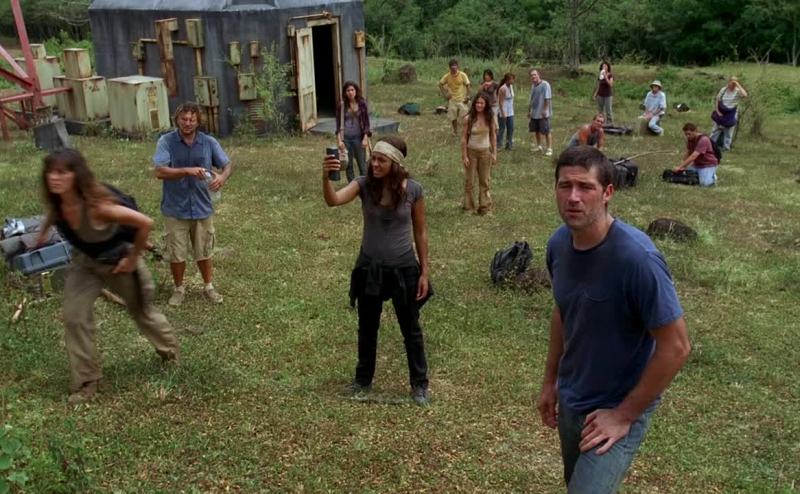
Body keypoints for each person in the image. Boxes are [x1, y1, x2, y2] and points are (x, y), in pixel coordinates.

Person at [537, 145, 691, 493]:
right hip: (573, 395)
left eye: (585, 187)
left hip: (618, 402)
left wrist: (624, 415)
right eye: (565, 185)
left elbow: (677, 347)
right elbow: (563, 311)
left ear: (607, 192)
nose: (573, 197)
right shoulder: (559, 244)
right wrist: (550, 381)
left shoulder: (637, 259)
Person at [37, 149, 180, 405]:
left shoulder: (99, 207)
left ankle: (170, 352)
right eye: (50, 172)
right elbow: (53, 214)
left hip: (118, 262)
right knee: (74, 317)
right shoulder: (58, 202)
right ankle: (87, 380)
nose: (54, 178)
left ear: (76, 175)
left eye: (62, 172)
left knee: (142, 312)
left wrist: (133, 258)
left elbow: (145, 223)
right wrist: (40, 235)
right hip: (85, 264)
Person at [322, 136, 432, 406]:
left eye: (382, 160)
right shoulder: (363, 185)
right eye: (374, 159)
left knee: (411, 329)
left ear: (395, 163)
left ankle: (419, 384)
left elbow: (420, 231)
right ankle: (363, 380)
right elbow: (333, 200)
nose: (374, 164)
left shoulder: (413, 190)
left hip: (404, 268)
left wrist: (424, 272)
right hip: (370, 268)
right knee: (367, 327)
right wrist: (326, 177)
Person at [153, 102, 233, 306]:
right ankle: (179, 289)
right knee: (176, 253)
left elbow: (227, 164)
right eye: (184, 119)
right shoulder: (166, 141)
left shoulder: (208, 142)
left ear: (198, 121)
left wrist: (222, 178)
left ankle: (208, 287)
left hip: (202, 206)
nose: (187, 123)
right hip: (175, 207)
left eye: (192, 119)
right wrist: (186, 171)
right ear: (177, 120)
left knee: (204, 250)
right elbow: (160, 171)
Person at [461, 94, 498, 215]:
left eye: (482, 103)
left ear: (486, 104)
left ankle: (484, 207)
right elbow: (464, 138)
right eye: (477, 103)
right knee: (469, 181)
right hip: (471, 152)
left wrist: (494, 153)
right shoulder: (468, 118)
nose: (479, 105)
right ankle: (468, 207)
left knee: (485, 181)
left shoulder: (490, 118)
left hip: (485, 153)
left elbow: (493, 136)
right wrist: (464, 155)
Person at [336, 81, 372, 182]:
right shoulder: (342, 105)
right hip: (346, 138)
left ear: (356, 91)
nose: (350, 92)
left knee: (362, 163)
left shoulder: (362, 104)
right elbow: (338, 125)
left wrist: (365, 138)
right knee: (348, 164)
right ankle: (352, 186)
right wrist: (339, 141)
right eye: (348, 90)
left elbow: (366, 123)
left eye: (352, 90)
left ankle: (364, 184)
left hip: (359, 138)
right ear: (345, 92)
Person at [673, 122, 719, 187]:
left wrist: (680, 167)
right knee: (685, 176)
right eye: (686, 134)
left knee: (704, 184)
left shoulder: (703, 140)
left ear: (695, 131)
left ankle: (713, 177)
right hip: (697, 164)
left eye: (689, 134)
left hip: (708, 164)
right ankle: (701, 175)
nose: (687, 136)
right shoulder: (690, 139)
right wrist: (683, 166)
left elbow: (693, 156)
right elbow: (688, 152)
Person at [710, 76, 748, 151]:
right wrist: (717, 111)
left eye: (734, 83)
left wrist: (737, 84)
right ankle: (710, 145)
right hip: (721, 111)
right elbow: (717, 100)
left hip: (731, 113)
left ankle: (726, 147)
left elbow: (745, 95)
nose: (732, 84)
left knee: (728, 131)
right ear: (729, 82)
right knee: (715, 129)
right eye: (732, 82)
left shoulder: (737, 91)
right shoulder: (723, 89)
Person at [438, 59, 471, 136]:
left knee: (465, 116)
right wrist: (445, 94)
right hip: (452, 99)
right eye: (452, 67)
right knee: (453, 117)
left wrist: (468, 96)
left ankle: (466, 130)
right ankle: (455, 131)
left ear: (457, 66)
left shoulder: (462, 75)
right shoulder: (447, 76)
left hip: (462, 99)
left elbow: (468, 85)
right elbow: (440, 84)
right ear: (449, 68)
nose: (454, 69)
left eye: (455, 67)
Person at [528, 69, 553, 156]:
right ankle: (539, 146)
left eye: (535, 74)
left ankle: (549, 148)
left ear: (539, 75)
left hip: (543, 113)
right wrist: (529, 110)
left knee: (546, 130)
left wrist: (545, 110)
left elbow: (547, 98)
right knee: (536, 130)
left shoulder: (545, 84)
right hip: (534, 112)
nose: (533, 76)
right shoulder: (533, 85)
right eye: (531, 75)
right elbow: (531, 99)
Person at [479, 69, 500, 145]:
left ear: (491, 76)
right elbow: (479, 92)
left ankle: (496, 138)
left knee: (494, 120)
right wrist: (483, 85)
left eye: (488, 75)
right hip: (485, 104)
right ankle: (486, 138)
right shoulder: (482, 83)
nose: (486, 76)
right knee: (485, 120)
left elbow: (500, 91)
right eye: (485, 75)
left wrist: (498, 100)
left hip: (493, 104)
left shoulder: (495, 84)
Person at [497, 72, 515, 150]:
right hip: (503, 111)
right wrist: (503, 113)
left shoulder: (511, 87)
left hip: (510, 111)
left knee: (511, 127)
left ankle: (509, 144)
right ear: (507, 80)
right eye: (511, 79)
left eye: (513, 79)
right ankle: (499, 144)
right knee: (502, 128)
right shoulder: (503, 88)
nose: (513, 81)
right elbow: (500, 102)